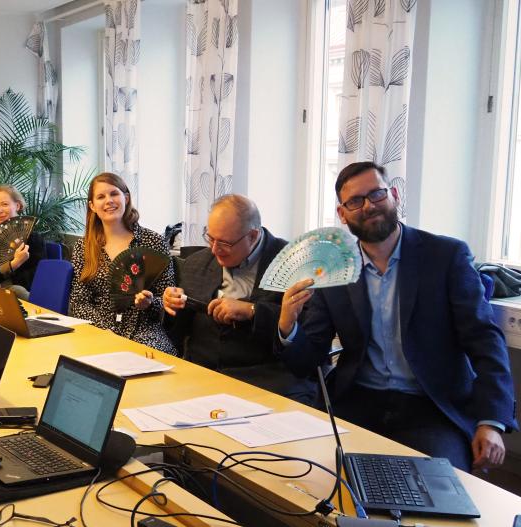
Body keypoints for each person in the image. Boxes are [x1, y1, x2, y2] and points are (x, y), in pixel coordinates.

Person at [276, 161, 518, 471]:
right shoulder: (334, 270)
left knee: (436, 486)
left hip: (431, 407)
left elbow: (484, 339)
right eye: (355, 201)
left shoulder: (445, 256)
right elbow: (307, 361)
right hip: (358, 400)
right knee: (313, 475)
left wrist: (491, 420)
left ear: (394, 195)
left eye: (376, 194)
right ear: (342, 214)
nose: (369, 206)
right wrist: (288, 326)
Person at [162, 195, 315, 403]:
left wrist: (252, 311)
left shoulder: (294, 265)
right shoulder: (197, 263)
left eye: (224, 243)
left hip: (265, 384)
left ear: (252, 236)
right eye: (210, 238)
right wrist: (172, 306)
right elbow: (178, 335)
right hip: (201, 377)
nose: (214, 249)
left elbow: (308, 350)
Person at [69, 172, 176, 354]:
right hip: (98, 330)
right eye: (101, 197)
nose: (109, 201)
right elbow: (79, 302)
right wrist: (105, 331)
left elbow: (167, 301)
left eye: (114, 194)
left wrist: (150, 303)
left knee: (142, 359)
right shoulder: (84, 247)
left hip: (144, 331)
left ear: (126, 198)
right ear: (92, 206)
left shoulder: (153, 242)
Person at [0, 185, 44, 300]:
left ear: (17, 206)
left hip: (21, 296)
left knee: (17, 290)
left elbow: (38, 279)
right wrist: (13, 264)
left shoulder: (33, 238)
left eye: (4, 204)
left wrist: (13, 267)